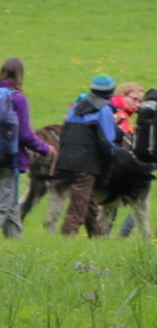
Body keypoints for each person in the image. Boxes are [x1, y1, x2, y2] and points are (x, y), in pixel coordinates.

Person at [0, 57, 54, 240]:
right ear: (20, 74)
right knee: (1, 205)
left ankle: (15, 247)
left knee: (11, 206)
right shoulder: (17, 98)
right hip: (8, 158)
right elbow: (25, 134)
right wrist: (45, 149)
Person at [56, 73, 118, 237]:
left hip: (66, 160)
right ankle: (66, 239)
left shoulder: (74, 107)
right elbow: (108, 142)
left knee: (87, 201)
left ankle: (98, 238)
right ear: (110, 92)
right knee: (78, 208)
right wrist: (109, 164)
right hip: (86, 164)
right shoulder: (103, 110)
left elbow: (65, 134)